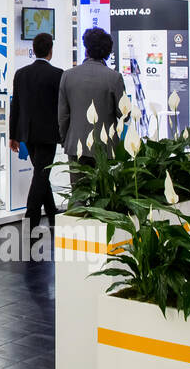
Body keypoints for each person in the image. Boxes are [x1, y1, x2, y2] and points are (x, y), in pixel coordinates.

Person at [9, 33, 63, 233]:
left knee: (41, 173)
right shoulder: (58, 74)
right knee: (41, 174)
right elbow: (61, 107)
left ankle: (51, 212)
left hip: (27, 133)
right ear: (50, 51)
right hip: (48, 134)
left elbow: (15, 107)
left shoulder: (21, 73)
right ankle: (30, 218)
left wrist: (13, 134)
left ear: (34, 49)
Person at [58, 27, 125, 181]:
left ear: (86, 49)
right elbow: (123, 115)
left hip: (76, 145)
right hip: (105, 146)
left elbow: (62, 115)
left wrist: (66, 140)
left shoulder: (68, 76)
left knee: (78, 194)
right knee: (104, 193)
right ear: (107, 53)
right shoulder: (114, 78)